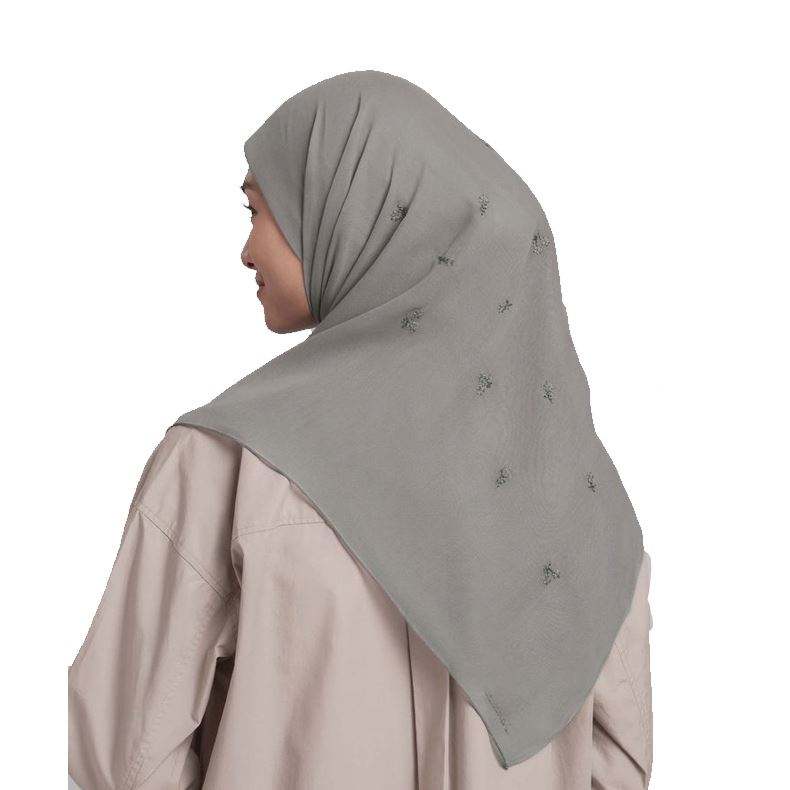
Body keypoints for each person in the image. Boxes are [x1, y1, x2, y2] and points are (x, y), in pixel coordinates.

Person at [68, 70, 652, 789]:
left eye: (260, 210)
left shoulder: (224, 465)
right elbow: (618, 762)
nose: (247, 250)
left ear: (354, 207)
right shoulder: (575, 493)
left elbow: (124, 755)